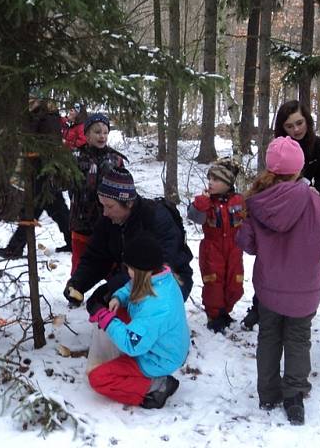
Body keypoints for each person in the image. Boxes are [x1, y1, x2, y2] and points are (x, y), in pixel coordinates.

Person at [236, 136, 320, 425]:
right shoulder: (315, 202)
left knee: (268, 336)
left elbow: (249, 244)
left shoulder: (257, 202)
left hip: (269, 287)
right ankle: (294, 395)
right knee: (298, 339)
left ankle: (267, 392)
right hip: (305, 287)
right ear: (298, 169)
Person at [241, 99, 320, 330]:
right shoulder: (278, 146)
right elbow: (270, 176)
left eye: (299, 123)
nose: (296, 130)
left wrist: (315, 191)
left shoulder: (316, 145)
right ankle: (260, 307)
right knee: (271, 260)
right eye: (289, 126)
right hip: (277, 207)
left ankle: (295, 311)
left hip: (305, 208)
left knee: (293, 261)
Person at [63, 166, 194, 309]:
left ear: (129, 203)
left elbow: (157, 267)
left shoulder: (156, 219)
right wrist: (77, 283)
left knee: (133, 308)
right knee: (105, 304)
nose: (105, 212)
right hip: (131, 277)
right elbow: (96, 257)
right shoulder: (109, 220)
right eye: (102, 206)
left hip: (169, 280)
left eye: (110, 206)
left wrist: (112, 289)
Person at [86, 232, 189, 409]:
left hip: (158, 358)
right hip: (159, 345)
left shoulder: (157, 305)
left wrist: (105, 318)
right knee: (118, 315)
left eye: (130, 268)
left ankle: (158, 385)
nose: (128, 272)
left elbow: (132, 345)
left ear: (141, 271)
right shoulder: (157, 278)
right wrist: (118, 298)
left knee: (98, 378)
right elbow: (131, 287)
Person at [0, 99, 72, 259]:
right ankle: (73, 242)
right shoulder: (39, 115)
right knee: (58, 209)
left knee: (32, 209)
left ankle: (14, 248)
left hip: (44, 171)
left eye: (32, 100)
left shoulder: (46, 117)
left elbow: (46, 143)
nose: (29, 102)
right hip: (40, 170)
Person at [187, 157, 246, 333]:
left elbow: (248, 219)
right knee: (214, 282)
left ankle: (225, 310)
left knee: (234, 282)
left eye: (216, 179)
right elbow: (195, 217)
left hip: (234, 248)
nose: (211, 183)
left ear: (228, 183)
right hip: (212, 249)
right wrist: (202, 203)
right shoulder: (206, 201)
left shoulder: (238, 200)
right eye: (210, 179)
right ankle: (214, 315)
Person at [69, 113, 126, 274]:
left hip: (109, 221)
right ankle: (74, 294)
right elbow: (63, 184)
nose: (102, 136)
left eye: (105, 132)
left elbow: (125, 191)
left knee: (112, 264)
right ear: (86, 135)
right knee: (79, 264)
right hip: (81, 221)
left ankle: (110, 295)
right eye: (97, 132)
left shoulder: (115, 159)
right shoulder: (75, 157)